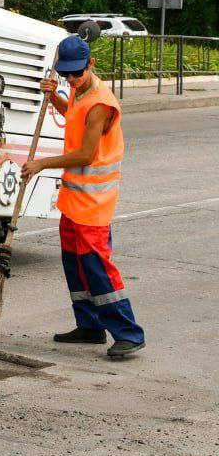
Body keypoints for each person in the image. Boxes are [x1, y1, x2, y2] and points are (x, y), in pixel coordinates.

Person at [21, 35, 145, 359]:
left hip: (93, 203)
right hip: (74, 200)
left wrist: (41, 164)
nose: (71, 79)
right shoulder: (78, 89)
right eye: (66, 75)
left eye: (76, 73)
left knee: (96, 265)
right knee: (74, 264)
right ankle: (89, 326)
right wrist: (54, 97)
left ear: (91, 63)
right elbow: (73, 114)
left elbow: (87, 154)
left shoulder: (101, 103)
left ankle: (128, 333)